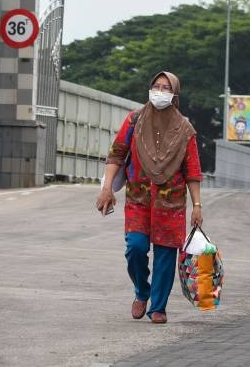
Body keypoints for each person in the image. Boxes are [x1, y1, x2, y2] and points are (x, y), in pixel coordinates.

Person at [95, 71, 203, 324]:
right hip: (138, 199)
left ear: (175, 94)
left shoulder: (185, 129)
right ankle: (141, 292)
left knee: (165, 256)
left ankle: (159, 307)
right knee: (135, 248)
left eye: (166, 88)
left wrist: (197, 206)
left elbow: (193, 170)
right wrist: (107, 188)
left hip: (171, 202)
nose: (160, 91)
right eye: (156, 86)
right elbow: (116, 154)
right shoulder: (134, 120)